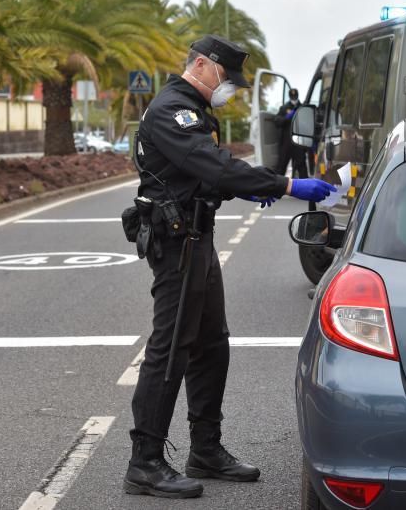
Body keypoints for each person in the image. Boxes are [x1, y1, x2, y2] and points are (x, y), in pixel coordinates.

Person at [124, 34, 336, 499]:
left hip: (196, 238)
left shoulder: (194, 109)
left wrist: (244, 187)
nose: (231, 88)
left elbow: (200, 176)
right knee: (170, 348)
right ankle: (145, 463)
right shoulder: (171, 110)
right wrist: (283, 184)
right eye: (226, 77)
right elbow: (212, 164)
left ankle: (206, 448)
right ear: (200, 65)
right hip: (177, 243)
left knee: (210, 345)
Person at [273, 88, 308, 178]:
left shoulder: (303, 108)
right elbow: (277, 121)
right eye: (292, 97)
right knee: (281, 167)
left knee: (301, 167)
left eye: (295, 97)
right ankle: (275, 189)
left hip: (298, 143)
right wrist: (286, 118)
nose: (294, 99)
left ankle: (305, 189)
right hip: (286, 143)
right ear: (290, 97)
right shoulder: (284, 108)